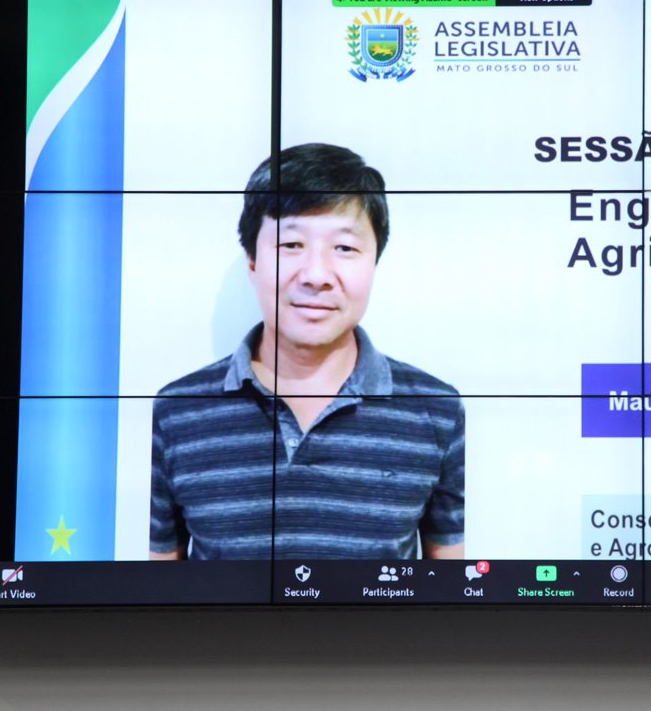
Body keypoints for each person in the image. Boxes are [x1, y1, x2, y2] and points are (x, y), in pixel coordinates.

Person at [149, 144, 464, 561]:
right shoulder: (177, 410)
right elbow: (162, 587)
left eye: (345, 248)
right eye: (291, 244)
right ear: (252, 262)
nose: (316, 276)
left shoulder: (435, 410)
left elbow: (448, 586)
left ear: (374, 264)